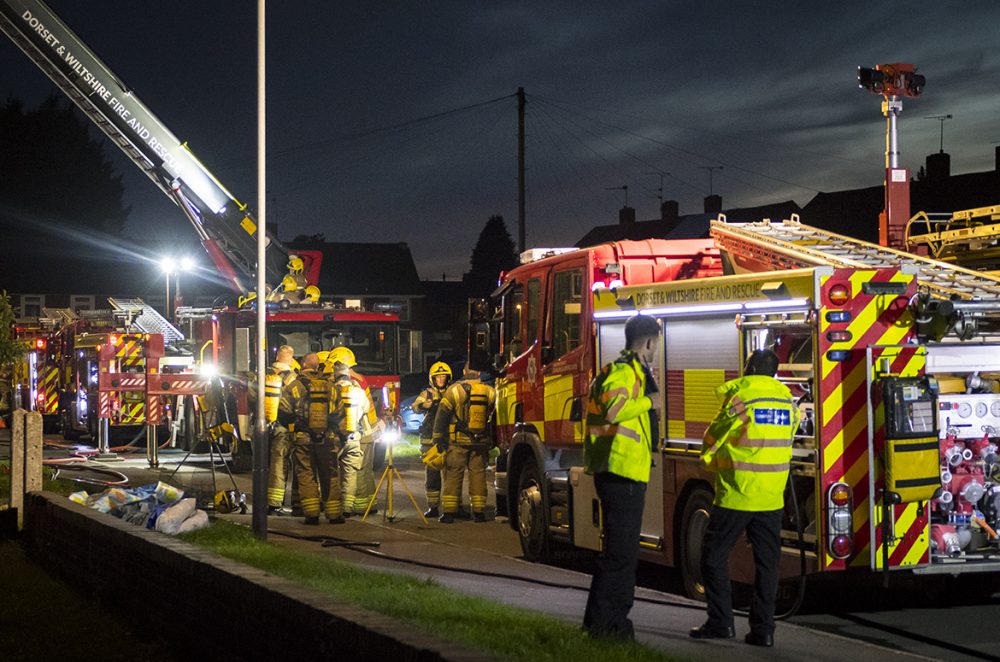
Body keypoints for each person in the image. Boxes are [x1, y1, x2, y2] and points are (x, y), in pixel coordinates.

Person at [690, 348, 799, 648]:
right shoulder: (788, 401)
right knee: (767, 564)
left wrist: (707, 459)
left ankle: (721, 622)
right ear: (774, 373)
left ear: (749, 369)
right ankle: (763, 631)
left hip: (737, 493)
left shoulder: (741, 397)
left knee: (712, 556)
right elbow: (788, 437)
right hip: (771, 497)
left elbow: (717, 433)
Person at [582, 314, 661, 640]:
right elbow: (614, 411)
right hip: (621, 472)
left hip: (622, 472)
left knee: (621, 555)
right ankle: (608, 627)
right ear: (648, 342)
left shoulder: (628, 371)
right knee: (620, 557)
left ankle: (603, 623)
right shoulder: (622, 372)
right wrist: (648, 401)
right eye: (655, 344)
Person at [432, 366, 496, 523]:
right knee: (478, 474)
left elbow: (442, 415)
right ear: (479, 372)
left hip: (457, 441)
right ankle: (479, 512)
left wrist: (438, 437)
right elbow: (495, 416)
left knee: (453, 474)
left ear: (464, 372)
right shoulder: (490, 391)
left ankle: (448, 513)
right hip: (480, 442)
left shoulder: (453, 391)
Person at [328, 347, 381, 516]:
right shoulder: (358, 383)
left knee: (338, 473)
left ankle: (354, 506)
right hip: (361, 433)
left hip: (343, 435)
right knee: (359, 472)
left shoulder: (331, 386)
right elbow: (367, 408)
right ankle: (358, 506)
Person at [288, 352, 333, 525]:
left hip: (303, 437)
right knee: (330, 473)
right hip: (326, 437)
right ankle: (334, 514)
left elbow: (284, 410)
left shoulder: (295, 386)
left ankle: (312, 514)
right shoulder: (330, 386)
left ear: (303, 364)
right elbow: (339, 412)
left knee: (306, 474)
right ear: (318, 366)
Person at [413, 362, 453, 518]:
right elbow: (415, 406)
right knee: (432, 475)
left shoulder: (452, 392)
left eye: (444, 376)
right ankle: (433, 507)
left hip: (448, 439)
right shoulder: (427, 393)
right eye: (438, 377)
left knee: (451, 476)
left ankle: (452, 506)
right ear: (432, 379)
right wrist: (424, 405)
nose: (441, 379)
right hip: (429, 442)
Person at [265, 345, 299, 514]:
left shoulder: (266, 375)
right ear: (291, 359)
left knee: (273, 464)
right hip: (288, 426)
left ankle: (273, 502)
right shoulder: (293, 378)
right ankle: (298, 503)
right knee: (299, 464)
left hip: (267, 426)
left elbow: (252, 396)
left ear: (277, 357)